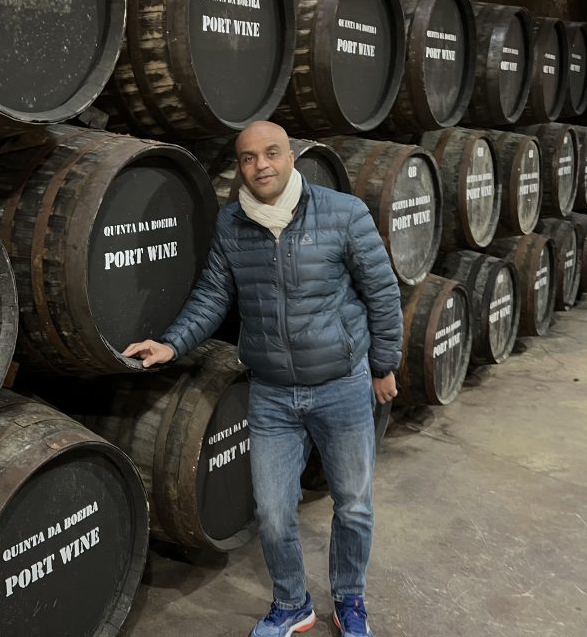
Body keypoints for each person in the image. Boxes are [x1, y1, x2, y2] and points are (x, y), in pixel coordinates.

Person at [124, 121, 402, 637]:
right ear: (241, 167)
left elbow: (382, 294)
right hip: (272, 392)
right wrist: (172, 343)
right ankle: (293, 603)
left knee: (355, 504)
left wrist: (384, 365)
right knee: (274, 514)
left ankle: (349, 598)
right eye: (249, 159)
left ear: (291, 156)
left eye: (271, 154)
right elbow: (212, 296)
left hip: (340, 384)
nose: (261, 167)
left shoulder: (343, 213)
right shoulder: (232, 224)